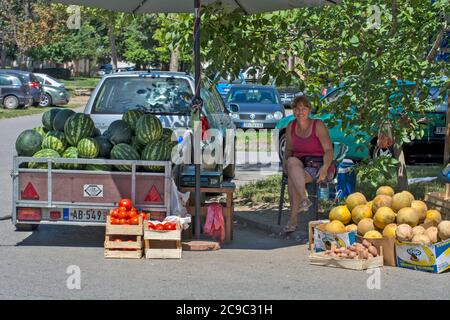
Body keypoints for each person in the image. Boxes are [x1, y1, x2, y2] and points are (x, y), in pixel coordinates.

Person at [282, 96, 334, 233]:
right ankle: (304, 199)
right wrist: (284, 162)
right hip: (299, 165)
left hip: (318, 165)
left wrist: (325, 168)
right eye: (297, 109)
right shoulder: (290, 126)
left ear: (309, 110)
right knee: (291, 162)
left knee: (293, 179)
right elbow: (288, 149)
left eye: (303, 109)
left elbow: (329, 150)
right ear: (293, 110)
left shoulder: (318, 125)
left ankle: (293, 220)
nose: (300, 112)